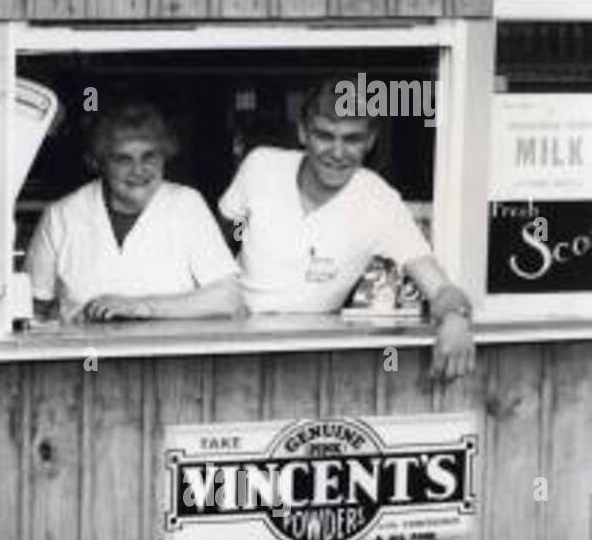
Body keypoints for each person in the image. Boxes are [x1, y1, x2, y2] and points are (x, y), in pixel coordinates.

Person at [218, 80, 475, 379]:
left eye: (352, 139)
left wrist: (456, 319)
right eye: (325, 136)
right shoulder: (260, 166)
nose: (337, 152)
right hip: (231, 339)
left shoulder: (379, 200)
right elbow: (219, 240)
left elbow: (440, 287)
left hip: (312, 354)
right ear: (303, 132)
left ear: (370, 140)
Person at [25, 100, 243, 322]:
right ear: (99, 163)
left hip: (169, 353)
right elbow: (32, 308)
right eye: (123, 160)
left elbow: (229, 298)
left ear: (164, 156)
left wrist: (142, 306)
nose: (138, 170)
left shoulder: (185, 204)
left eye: (149, 156)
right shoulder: (62, 215)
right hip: (88, 354)